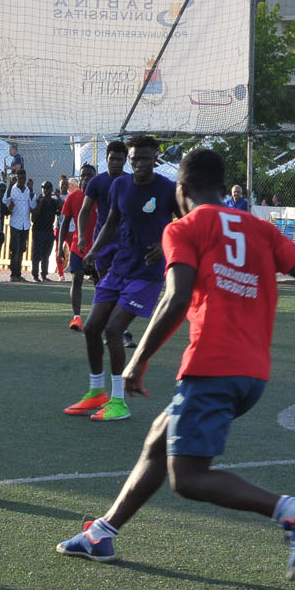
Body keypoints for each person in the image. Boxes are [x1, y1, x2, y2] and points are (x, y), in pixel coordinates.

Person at [56, 147, 295, 579]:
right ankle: (102, 533)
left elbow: (176, 298)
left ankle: (294, 511)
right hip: (252, 374)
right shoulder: (260, 229)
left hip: (212, 366)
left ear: (182, 189)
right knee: (159, 439)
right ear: (221, 185)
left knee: (189, 478)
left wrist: (138, 360)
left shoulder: (184, 228)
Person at [74, 135, 180, 422]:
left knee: (113, 330)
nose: (138, 163)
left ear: (154, 159)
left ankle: (119, 402)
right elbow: (111, 222)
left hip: (146, 273)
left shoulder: (167, 189)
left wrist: (165, 244)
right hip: (119, 267)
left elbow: (185, 222)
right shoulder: (120, 185)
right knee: (91, 327)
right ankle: (97, 391)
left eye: (144, 158)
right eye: (134, 159)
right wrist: (94, 250)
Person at [65, 141, 129, 416]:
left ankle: (118, 329)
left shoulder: (130, 182)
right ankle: (114, 329)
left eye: (120, 159)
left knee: (120, 288)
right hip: (102, 244)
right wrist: (82, 236)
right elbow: (84, 210)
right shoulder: (98, 183)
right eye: (112, 158)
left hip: (126, 245)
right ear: (107, 158)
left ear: (125, 160)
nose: (116, 162)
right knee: (105, 287)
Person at [57, 164, 95, 326]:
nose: (86, 178)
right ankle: (77, 318)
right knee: (77, 279)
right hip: (77, 247)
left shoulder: (102, 197)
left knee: (101, 283)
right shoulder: (73, 197)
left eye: (89, 176)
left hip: (97, 248)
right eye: (83, 175)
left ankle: (99, 317)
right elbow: (64, 223)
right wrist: (60, 247)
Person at [5, 171, 34, 281]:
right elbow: (5, 201)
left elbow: (32, 205)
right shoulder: (12, 189)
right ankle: (13, 274)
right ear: (17, 178)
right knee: (15, 249)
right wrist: (9, 186)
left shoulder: (27, 190)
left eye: (23, 178)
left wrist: (31, 191)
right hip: (15, 224)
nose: (22, 180)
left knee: (21, 249)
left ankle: (18, 274)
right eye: (20, 178)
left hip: (25, 224)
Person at [31, 180, 59, 281]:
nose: (45, 190)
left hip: (49, 231)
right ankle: (35, 275)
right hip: (38, 231)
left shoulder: (53, 202)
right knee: (36, 255)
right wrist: (40, 203)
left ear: (51, 189)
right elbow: (34, 217)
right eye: (43, 188)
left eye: (47, 188)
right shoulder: (37, 200)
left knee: (46, 255)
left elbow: (61, 210)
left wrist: (58, 197)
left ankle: (44, 275)